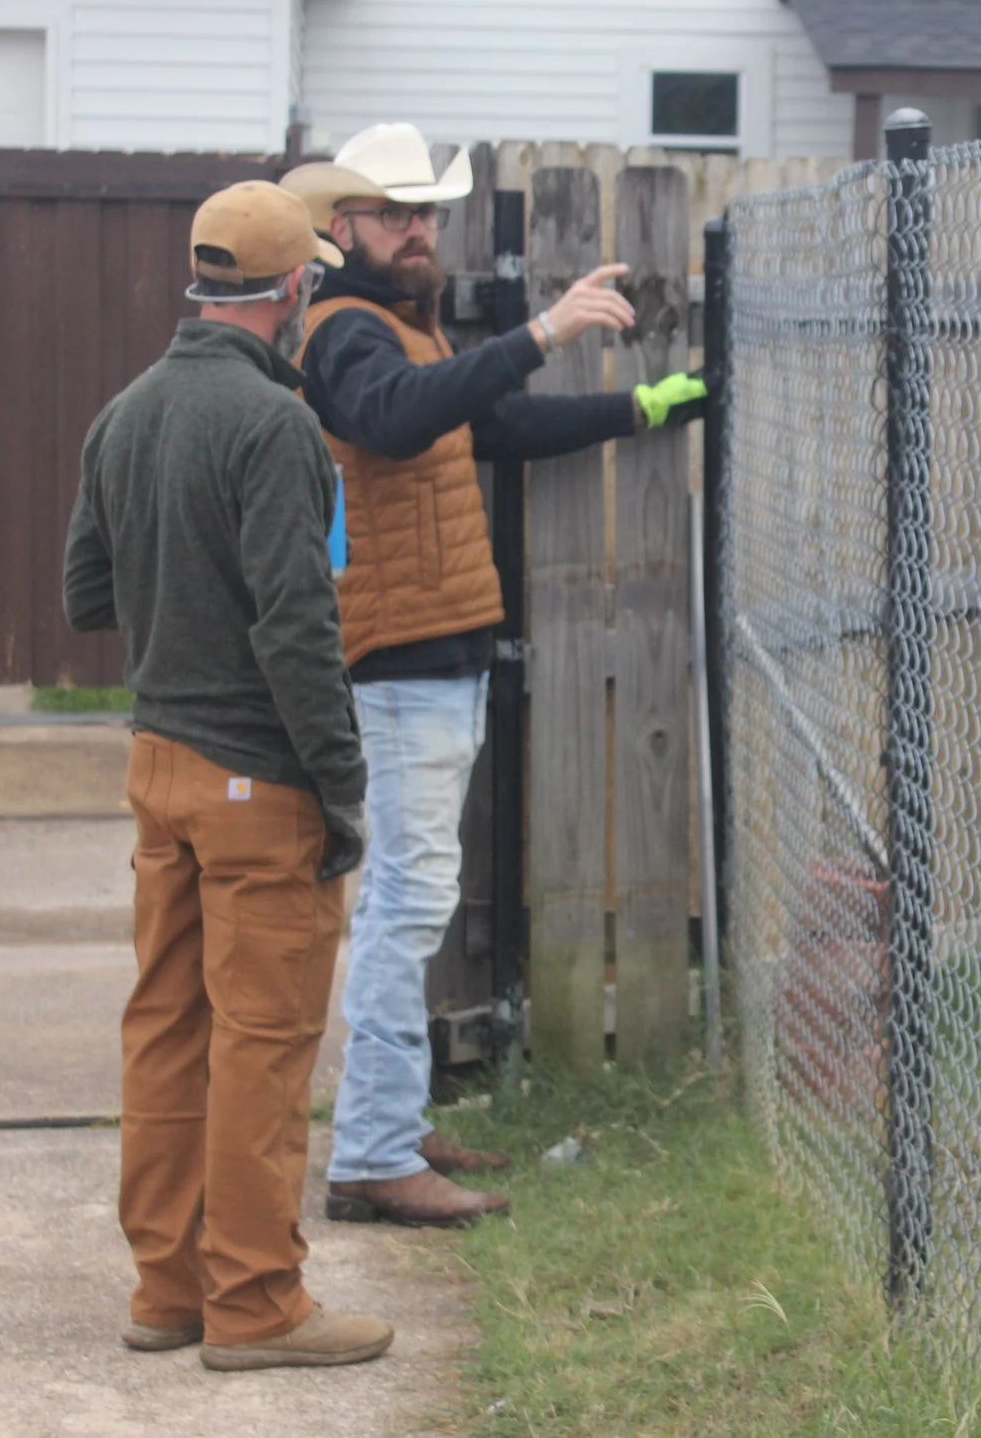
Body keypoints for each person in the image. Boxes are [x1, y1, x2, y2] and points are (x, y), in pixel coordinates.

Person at [280, 126, 708, 1228]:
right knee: (406, 907)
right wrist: (543, 326)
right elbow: (395, 418)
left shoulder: (404, 333)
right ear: (342, 228)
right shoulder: (342, 338)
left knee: (407, 903)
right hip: (396, 664)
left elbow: (495, 425)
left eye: (427, 213)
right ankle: (373, 1155)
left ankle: (389, 1120)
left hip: (439, 655)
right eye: (393, 214)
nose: (417, 230)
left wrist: (643, 406)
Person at [63, 180, 391, 1371]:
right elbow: (298, 631)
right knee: (262, 1039)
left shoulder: (126, 412)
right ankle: (254, 1303)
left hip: (159, 765)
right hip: (261, 777)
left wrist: (175, 611)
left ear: (203, 284)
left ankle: (168, 1289)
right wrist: (341, 789)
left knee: (165, 1026)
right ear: (295, 289)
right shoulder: (274, 426)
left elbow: (86, 595)